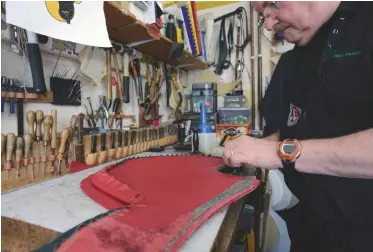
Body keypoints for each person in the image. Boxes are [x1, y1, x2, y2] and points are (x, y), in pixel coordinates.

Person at [223, 2, 373, 252]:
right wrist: (256, 148)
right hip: (310, 234)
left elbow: (290, 147)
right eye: (263, 16)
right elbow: (304, 130)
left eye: (272, 5)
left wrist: (278, 152)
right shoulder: (295, 59)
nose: (270, 24)